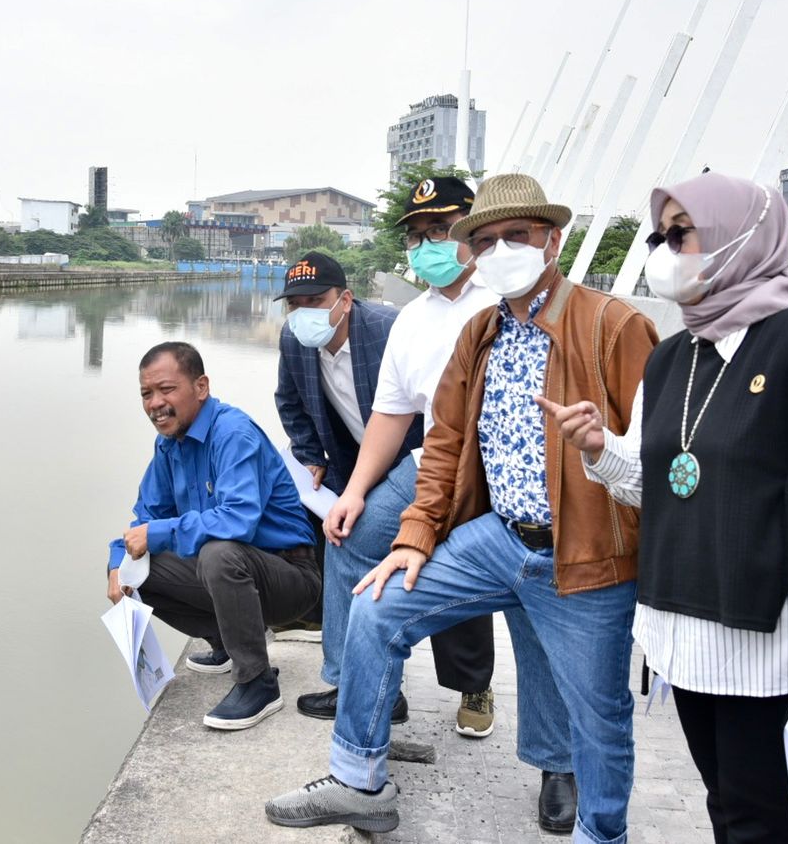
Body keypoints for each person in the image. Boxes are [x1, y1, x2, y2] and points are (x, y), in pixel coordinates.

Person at [266, 174, 658, 840]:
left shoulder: (613, 326)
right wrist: (416, 534)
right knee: (377, 604)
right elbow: (442, 443)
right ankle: (359, 777)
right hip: (498, 536)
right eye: (487, 238)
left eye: (517, 236)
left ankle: (599, 825)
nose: (500, 248)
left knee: (599, 714)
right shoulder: (479, 331)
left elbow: (653, 455)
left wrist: (599, 447)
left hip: (582, 553)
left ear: (552, 241)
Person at [547, 172, 788, 843]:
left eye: (681, 235)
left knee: (769, 822)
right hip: (687, 643)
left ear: (740, 238)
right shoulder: (672, 358)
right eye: (658, 237)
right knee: (726, 808)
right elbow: (652, 483)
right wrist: (598, 447)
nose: (664, 252)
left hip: (777, 648)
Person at [293, 177, 501, 740]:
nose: (426, 245)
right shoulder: (413, 319)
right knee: (350, 535)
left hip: (509, 473)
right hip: (433, 466)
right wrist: (356, 492)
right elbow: (390, 416)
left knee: (502, 584)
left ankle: (545, 747)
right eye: (415, 236)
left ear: (474, 231)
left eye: (440, 229)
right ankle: (356, 681)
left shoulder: (510, 299)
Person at [108, 341, 321, 731]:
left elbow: (238, 520)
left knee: (218, 553)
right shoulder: (169, 443)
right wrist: (115, 562)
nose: (156, 403)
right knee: (132, 573)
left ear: (201, 386)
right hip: (236, 574)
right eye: (146, 393)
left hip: (290, 576)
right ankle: (224, 643)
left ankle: (257, 682)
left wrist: (156, 533)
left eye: (167, 389)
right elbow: (146, 517)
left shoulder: (232, 434)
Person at [273, 251, 418, 641]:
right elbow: (288, 400)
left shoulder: (392, 331)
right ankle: (320, 624)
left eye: (316, 302)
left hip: (419, 458)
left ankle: (471, 683)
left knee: (442, 559)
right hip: (351, 459)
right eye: (295, 304)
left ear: (346, 299)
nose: (304, 313)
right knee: (324, 527)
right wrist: (308, 454)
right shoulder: (294, 337)